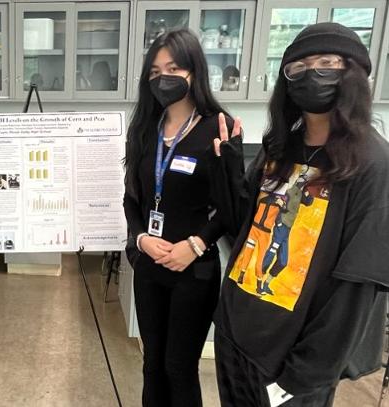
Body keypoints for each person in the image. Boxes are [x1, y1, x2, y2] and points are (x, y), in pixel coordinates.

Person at [212, 22, 389, 406]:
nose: (312, 73)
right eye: (299, 66)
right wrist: (228, 170)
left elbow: (357, 284)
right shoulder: (280, 149)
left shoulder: (372, 163)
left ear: (354, 73)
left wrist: (306, 373)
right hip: (236, 335)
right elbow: (244, 229)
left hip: (290, 361)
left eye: (327, 62)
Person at [122, 29, 240, 407]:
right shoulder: (145, 128)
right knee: (152, 364)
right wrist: (140, 239)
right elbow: (132, 198)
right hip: (150, 265)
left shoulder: (219, 128)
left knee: (179, 366)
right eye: (155, 72)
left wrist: (197, 243)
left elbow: (232, 207)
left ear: (195, 71)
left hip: (194, 269)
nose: (163, 78)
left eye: (173, 68)